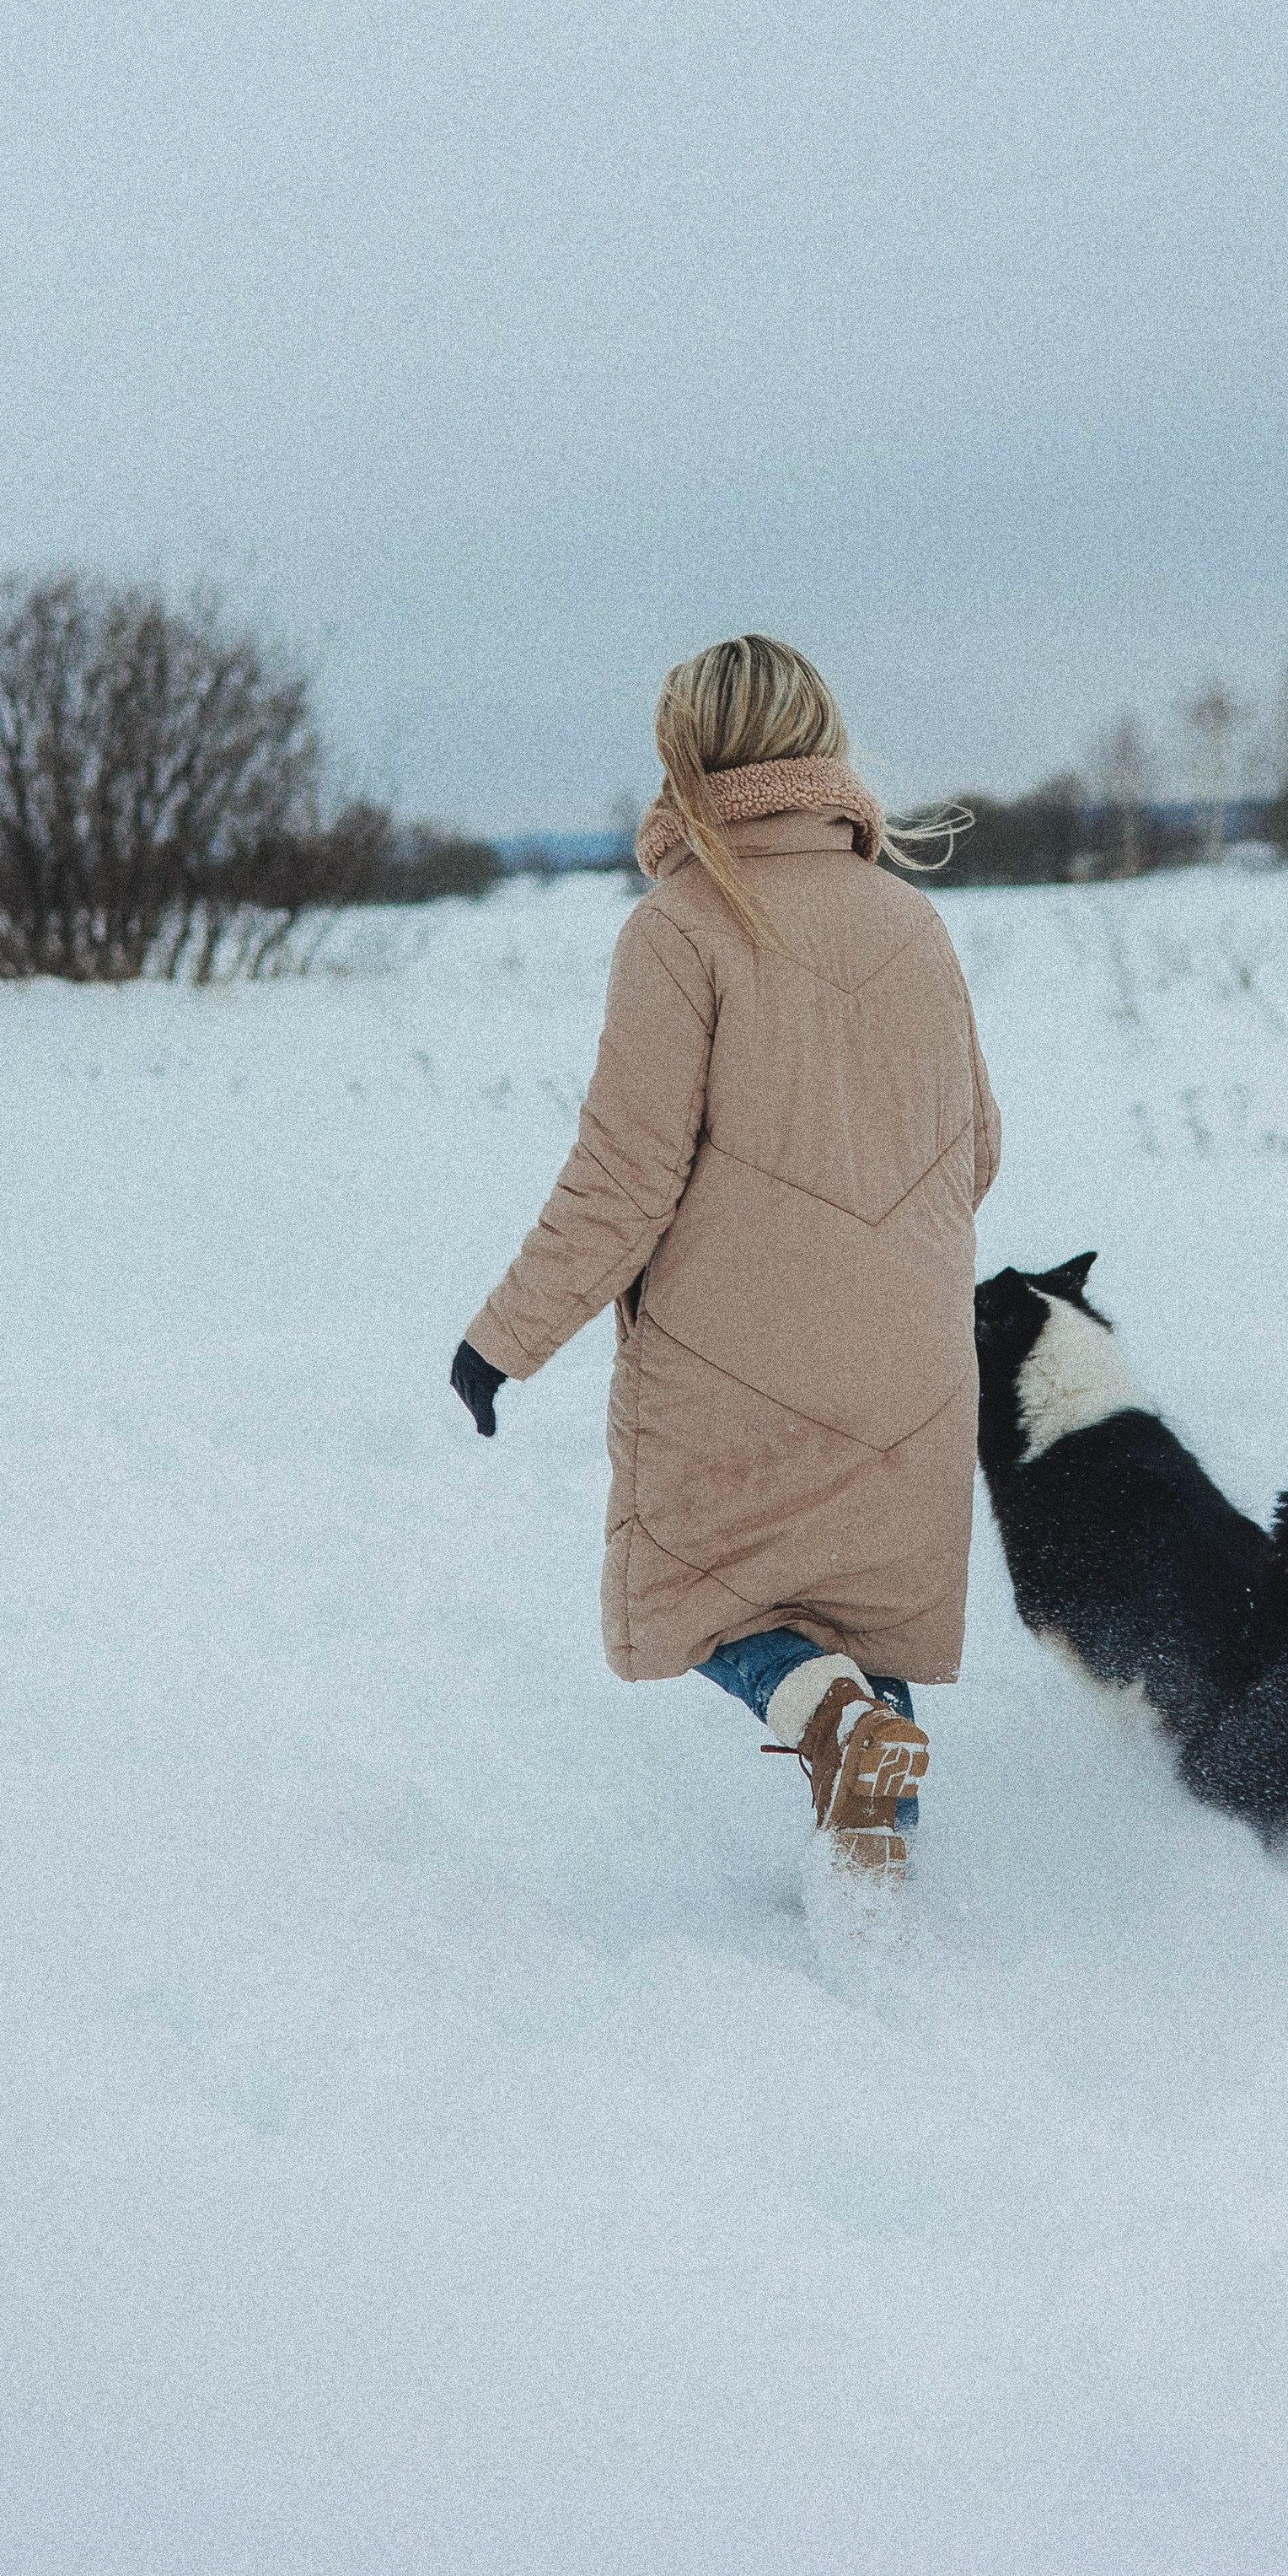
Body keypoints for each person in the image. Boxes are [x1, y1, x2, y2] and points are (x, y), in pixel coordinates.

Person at [450, 635, 1000, 1883]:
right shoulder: (913, 921)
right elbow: (979, 1148)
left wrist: (502, 1341)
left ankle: (822, 1714)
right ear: (821, 741)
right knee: (870, 1612)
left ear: (684, 754)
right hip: (915, 1353)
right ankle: (874, 1884)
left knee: (705, 1592)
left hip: (734, 1357)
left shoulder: (680, 927)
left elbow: (622, 1180)